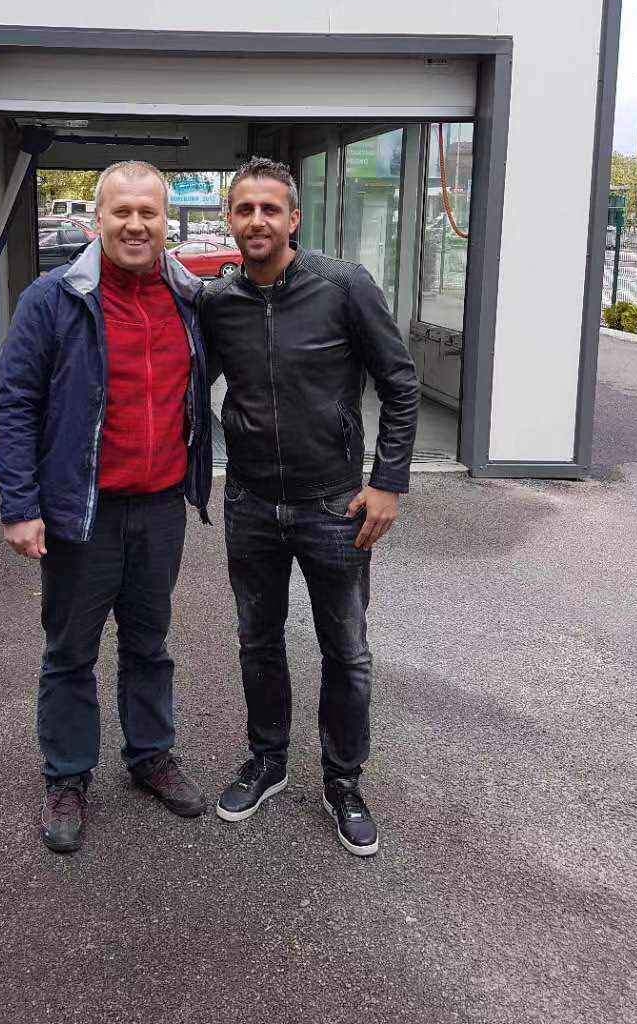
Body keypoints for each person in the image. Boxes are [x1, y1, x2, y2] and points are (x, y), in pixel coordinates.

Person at [200, 157, 419, 856]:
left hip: (335, 505)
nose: (257, 220)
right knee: (257, 641)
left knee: (346, 651)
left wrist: (387, 483)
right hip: (251, 503)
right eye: (244, 209)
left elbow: (400, 383)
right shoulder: (219, 302)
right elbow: (184, 381)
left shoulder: (344, 286)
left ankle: (343, 781)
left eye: (270, 208)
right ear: (230, 220)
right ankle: (267, 762)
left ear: (293, 218)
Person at [0, 161, 212, 854]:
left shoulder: (189, 297)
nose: (136, 225)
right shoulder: (53, 299)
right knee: (70, 651)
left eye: (149, 212)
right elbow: (15, 404)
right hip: (80, 511)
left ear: (166, 222)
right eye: (122, 212)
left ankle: (150, 754)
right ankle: (67, 775)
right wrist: (19, 505)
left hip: (161, 506)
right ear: (98, 220)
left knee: (150, 643)